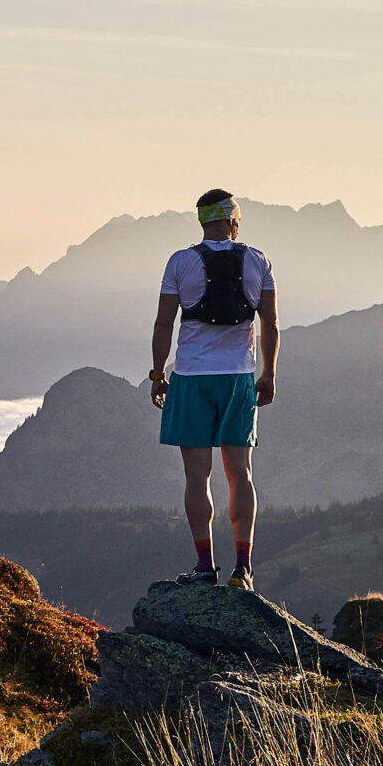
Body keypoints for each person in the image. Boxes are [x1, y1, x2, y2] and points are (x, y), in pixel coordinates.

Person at [148, 189, 278, 589]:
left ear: (203, 221)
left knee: (197, 477)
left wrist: (158, 375)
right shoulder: (258, 261)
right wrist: (268, 375)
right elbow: (271, 325)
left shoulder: (180, 262)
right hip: (238, 378)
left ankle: (205, 566)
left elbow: (163, 324)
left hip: (191, 379)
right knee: (240, 474)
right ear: (234, 221)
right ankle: (244, 568)